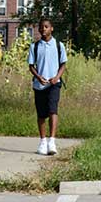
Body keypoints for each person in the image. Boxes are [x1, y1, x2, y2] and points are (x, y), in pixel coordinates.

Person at [28, 18, 67, 155]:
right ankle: (43, 141)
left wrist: (56, 77)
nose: (43, 29)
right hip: (39, 85)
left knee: (53, 110)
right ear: (38, 30)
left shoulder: (58, 45)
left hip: (54, 84)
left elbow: (63, 64)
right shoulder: (35, 46)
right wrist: (39, 77)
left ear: (51, 28)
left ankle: (52, 141)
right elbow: (31, 66)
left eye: (46, 27)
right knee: (41, 114)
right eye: (41, 27)